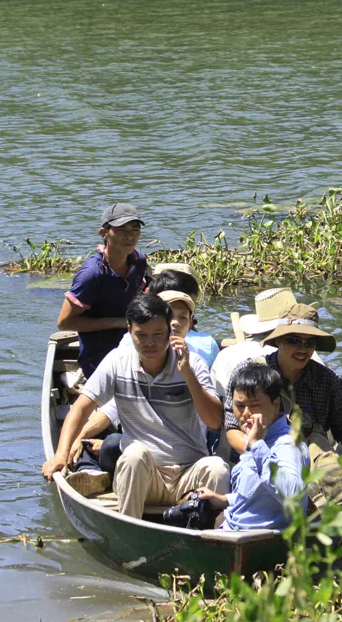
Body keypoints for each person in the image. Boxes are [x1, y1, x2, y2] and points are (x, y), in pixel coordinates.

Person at [43, 295, 228, 519]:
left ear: (170, 332)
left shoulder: (193, 363)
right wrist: (61, 454)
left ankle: (212, 536)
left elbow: (215, 421)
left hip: (188, 473)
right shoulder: (117, 361)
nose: (150, 343)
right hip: (145, 476)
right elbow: (81, 408)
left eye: (158, 334)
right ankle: (129, 526)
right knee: (133, 455)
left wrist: (187, 373)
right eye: (142, 335)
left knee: (217, 467)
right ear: (130, 330)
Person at [223, 303, 342, 477]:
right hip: (255, 462)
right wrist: (266, 459)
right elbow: (232, 429)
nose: (302, 349)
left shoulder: (329, 381)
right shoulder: (247, 374)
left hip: (311, 464)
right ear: (279, 340)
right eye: (294, 341)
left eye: (309, 342)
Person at [196, 362, 308, 530]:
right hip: (232, 526)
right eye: (239, 406)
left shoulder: (286, 445)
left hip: (257, 541)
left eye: (254, 405)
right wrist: (223, 499)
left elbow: (294, 495)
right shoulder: (261, 436)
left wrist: (256, 445)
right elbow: (260, 495)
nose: (246, 413)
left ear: (276, 404)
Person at [58, 203, 148, 378]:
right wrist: (119, 322)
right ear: (104, 233)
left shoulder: (138, 261)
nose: (129, 235)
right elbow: (64, 323)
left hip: (134, 347)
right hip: (100, 356)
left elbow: (143, 291)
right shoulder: (92, 274)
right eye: (121, 229)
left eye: (135, 229)